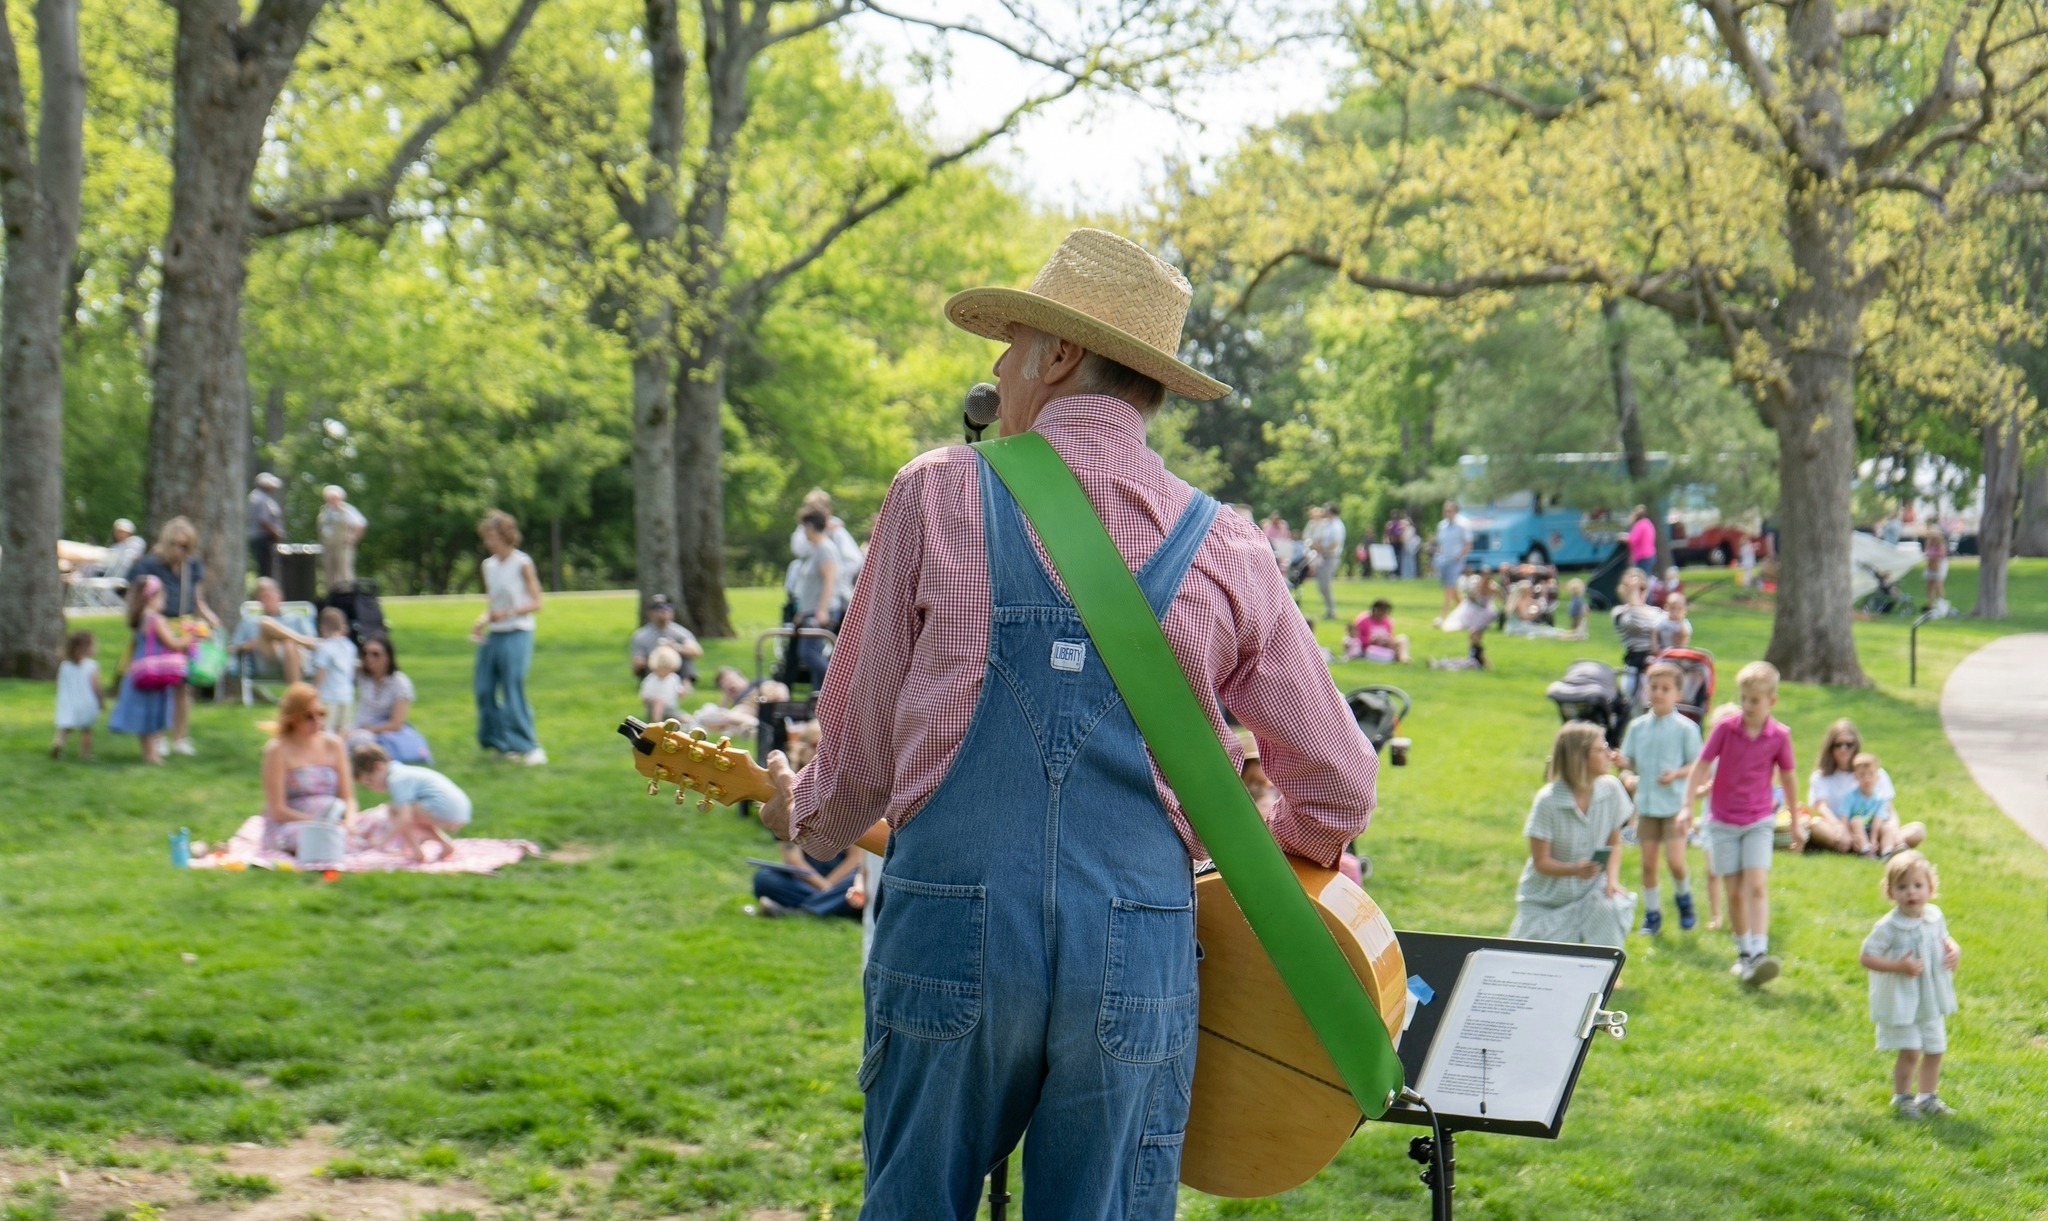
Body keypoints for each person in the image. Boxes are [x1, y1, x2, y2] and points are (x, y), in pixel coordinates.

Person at [759, 228, 1379, 1216]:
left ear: (1056, 356)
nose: (998, 366)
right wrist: (1237, 870)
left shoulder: (934, 492)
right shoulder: (1225, 544)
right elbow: (1339, 784)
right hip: (1137, 940)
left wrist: (804, 822)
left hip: (948, 923)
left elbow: (860, 759)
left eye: (1009, 345)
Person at [1686, 661, 1805, 985]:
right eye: (1744, 698)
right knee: (1735, 892)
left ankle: (1759, 953)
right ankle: (1744, 954)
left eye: (1755, 700)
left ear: (1771, 701)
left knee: (1756, 885)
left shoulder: (1779, 736)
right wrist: (1687, 805)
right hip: (1723, 821)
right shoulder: (1726, 728)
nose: (1748, 706)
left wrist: (1795, 821)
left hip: (1758, 821)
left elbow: (1790, 780)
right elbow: (1701, 764)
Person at [1510, 722, 1635, 947]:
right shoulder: (1548, 801)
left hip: (1590, 889)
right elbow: (1541, 862)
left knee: (1610, 906)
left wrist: (1612, 880)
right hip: (1545, 898)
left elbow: (1614, 842)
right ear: (1580, 757)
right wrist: (1575, 870)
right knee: (1530, 963)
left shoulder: (1611, 789)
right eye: (1601, 749)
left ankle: (1608, 972)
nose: (1609, 754)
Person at [1859, 851, 1960, 1118]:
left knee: (1936, 1047)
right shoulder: (1889, 926)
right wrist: (1899, 967)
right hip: (1904, 999)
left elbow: (1945, 937)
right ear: (1890, 892)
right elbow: (1866, 957)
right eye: (1902, 887)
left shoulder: (1934, 916)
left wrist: (1953, 949)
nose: (1911, 893)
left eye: (1917, 886)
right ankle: (1902, 1098)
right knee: (1912, 1050)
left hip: (1930, 997)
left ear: (1930, 888)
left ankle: (1927, 1097)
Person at [1619, 662, 1703, 935]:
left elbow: (1697, 766)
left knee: (1676, 862)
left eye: (1665, 689)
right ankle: (1652, 914)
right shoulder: (1638, 727)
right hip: (1647, 806)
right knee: (1648, 864)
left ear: (1678, 694)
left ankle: (1684, 899)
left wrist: (1676, 774)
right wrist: (1626, 773)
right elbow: (1627, 762)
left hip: (1674, 807)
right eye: (1654, 687)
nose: (1658, 693)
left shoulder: (1685, 729)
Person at [131, 516, 219, 757]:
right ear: (166, 542)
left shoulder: (192, 567)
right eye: (175, 544)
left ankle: (180, 738)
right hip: (159, 626)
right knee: (159, 683)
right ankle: (157, 737)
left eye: (184, 546)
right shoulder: (148, 566)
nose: (179, 550)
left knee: (183, 685)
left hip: (185, 626)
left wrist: (210, 619)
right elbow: (135, 597)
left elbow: (197, 600)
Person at [472, 509, 546, 765]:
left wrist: (509, 613)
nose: (487, 542)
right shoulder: (488, 565)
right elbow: (493, 604)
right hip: (496, 633)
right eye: (486, 537)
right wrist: (483, 621)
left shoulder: (522, 563)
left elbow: (537, 603)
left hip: (519, 632)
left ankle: (529, 747)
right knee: (484, 688)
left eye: (491, 536)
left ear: (506, 536)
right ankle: (502, 746)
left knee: (513, 688)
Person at [257, 683, 355, 854]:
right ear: (293, 718)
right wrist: (317, 823)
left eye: (321, 714)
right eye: (309, 717)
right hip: (294, 822)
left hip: (334, 816)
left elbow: (348, 797)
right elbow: (277, 810)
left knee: (383, 823)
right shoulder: (277, 750)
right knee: (311, 839)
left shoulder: (334, 745)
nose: (318, 722)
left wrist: (349, 821)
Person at [1805, 719, 1924, 855]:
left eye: (1849, 744)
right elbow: (1822, 808)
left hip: (1876, 828)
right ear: (1830, 747)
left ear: (1856, 746)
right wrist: (1841, 828)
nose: (1844, 749)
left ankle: (1884, 845)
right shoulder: (1821, 776)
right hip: (1842, 828)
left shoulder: (1875, 774)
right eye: (1838, 745)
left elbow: (1888, 808)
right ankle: (1862, 847)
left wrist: (1893, 827)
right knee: (1816, 825)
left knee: (1918, 829)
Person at [108, 575, 189, 765]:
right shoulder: (156, 619)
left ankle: (148, 752)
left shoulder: (141, 618)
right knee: (154, 712)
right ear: (152, 597)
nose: (165, 601)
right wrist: (190, 637)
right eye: (162, 597)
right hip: (156, 674)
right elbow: (174, 643)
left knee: (144, 713)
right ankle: (153, 755)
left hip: (139, 672)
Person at [350, 742, 472, 863]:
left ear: (379, 767)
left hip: (446, 808)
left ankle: (416, 852)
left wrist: (382, 841)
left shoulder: (396, 780)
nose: (371, 787)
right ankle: (443, 845)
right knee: (407, 814)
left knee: (396, 811)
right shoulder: (400, 771)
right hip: (458, 808)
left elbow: (404, 819)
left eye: (369, 781)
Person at [349, 631, 433, 764]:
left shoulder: (400, 683)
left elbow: (396, 724)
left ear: (387, 656)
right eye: (365, 653)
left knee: (360, 740)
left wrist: (368, 729)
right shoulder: (361, 674)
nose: (369, 658)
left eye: (375, 654)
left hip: (380, 732)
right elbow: (337, 658)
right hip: (356, 727)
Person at [788, 488, 864, 618]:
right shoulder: (806, 531)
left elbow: (853, 561)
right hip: (807, 594)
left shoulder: (833, 536)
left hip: (829, 597)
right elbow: (798, 548)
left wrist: (836, 574)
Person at [228, 577, 317, 686]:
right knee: (265, 624)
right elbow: (232, 648)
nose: (266, 601)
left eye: (268, 596)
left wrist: (287, 641)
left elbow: (312, 639)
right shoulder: (249, 622)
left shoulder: (297, 618)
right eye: (262, 598)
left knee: (289, 644)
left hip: (297, 659)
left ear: (279, 595)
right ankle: (301, 641)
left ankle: (295, 692)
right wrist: (244, 646)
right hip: (267, 662)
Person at [751, 840, 865, 919]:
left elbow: (855, 859)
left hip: (843, 882)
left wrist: (830, 888)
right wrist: (827, 891)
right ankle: (829, 905)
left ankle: (804, 912)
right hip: (807, 881)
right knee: (764, 878)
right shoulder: (791, 813)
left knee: (859, 880)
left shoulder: (852, 812)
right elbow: (794, 860)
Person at [787, 510, 837, 685]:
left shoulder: (825, 549)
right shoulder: (815, 550)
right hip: (810, 610)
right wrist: (801, 612)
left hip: (820, 610)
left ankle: (836, 685)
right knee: (815, 652)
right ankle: (819, 698)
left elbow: (829, 580)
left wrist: (822, 610)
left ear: (809, 527)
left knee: (808, 653)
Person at [1843, 752, 1922, 857]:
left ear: (1878, 776)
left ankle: (1887, 852)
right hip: (1859, 832)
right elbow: (1844, 818)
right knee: (1855, 821)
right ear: (1856, 777)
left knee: (1887, 828)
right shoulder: (1851, 797)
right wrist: (1848, 835)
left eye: (1871, 774)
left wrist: (1873, 839)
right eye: (1862, 775)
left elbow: (1878, 819)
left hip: (1875, 830)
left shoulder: (1880, 798)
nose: (1867, 779)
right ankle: (1866, 850)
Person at [52, 630, 106, 760]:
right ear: (87, 648)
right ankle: (85, 754)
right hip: (86, 702)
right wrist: (101, 702)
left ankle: (58, 743)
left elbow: (59, 684)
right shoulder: (91, 666)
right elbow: (96, 687)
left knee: (64, 727)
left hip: (67, 702)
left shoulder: (64, 666)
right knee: (86, 729)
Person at [629, 593, 701, 682]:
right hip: (654, 672)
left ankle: (686, 686)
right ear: (650, 613)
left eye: (668, 607)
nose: (665, 610)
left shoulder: (680, 632)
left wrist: (675, 647)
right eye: (659, 608)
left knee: (686, 659)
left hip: (675, 669)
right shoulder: (641, 635)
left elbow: (697, 652)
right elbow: (636, 666)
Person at [310, 607, 359, 730]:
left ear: (322, 628)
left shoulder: (325, 648)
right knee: (343, 730)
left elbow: (320, 672)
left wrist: (313, 692)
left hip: (328, 697)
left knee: (326, 730)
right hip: (347, 696)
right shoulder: (350, 646)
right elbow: (353, 671)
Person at [316, 485, 367, 590]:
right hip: (328, 546)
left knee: (344, 574)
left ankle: (347, 596)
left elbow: (361, 524)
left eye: (334, 498)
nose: (331, 500)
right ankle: (331, 598)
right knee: (329, 573)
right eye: (329, 498)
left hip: (342, 546)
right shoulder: (325, 511)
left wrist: (352, 538)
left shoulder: (347, 510)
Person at [1304, 502, 1345, 619]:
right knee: (1321, 584)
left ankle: (1332, 611)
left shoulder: (1337, 526)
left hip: (1331, 557)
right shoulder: (1327, 524)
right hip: (1323, 556)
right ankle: (1329, 609)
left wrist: (1320, 548)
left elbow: (1335, 544)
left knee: (1325, 584)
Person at [248, 472, 285, 583]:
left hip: (259, 538)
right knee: (266, 570)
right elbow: (263, 521)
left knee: (263, 569)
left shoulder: (255, 496)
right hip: (264, 539)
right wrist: (276, 533)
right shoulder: (262, 499)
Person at [1435, 499, 1471, 614]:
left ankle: (1443, 616)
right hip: (1444, 560)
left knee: (1449, 587)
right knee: (1453, 589)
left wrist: (1459, 558)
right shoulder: (1441, 525)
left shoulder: (1463, 524)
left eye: (1450, 510)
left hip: (1456, 561)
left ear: (1455, 510)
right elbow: (1440, 545)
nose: (1448, 513)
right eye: (1446, 510)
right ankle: (1465, 611)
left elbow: (1468, 544)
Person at [640, 645, 687, 722]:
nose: (664, 672)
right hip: (654, 708)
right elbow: (644, 697)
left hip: (671, 708)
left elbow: (678, 693)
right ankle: (657, 723)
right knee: (659, 702)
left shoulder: (674, 679)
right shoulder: (651, 679)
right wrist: (649, 698)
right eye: (661, 669)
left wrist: (682, 693)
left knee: (685, 718)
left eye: (668, 669)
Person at [1922, 525, 1949, 616]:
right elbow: (1926, 553)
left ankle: (1941, 604)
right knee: (1929, 586)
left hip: (1939, 566)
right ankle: (1930, 605)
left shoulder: (1941, 544)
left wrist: (1932, 556)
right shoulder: (1928, 543)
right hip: (1931, 566)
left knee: (1938, 585)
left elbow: (1942, 554)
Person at [1627, 504, 1657, 574]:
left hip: (1642, 556)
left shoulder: (1640, 525)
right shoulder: (1648, 523)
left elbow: (1632, 539)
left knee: (1642, 577)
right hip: (1650, 554)